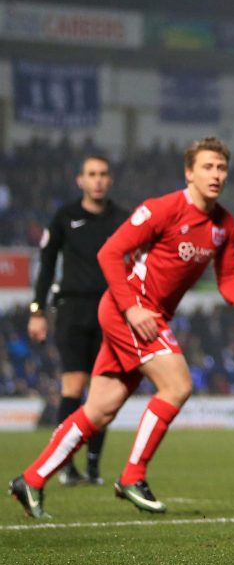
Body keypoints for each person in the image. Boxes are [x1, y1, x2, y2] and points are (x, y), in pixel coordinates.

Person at [9, 137, 234, 518]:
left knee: (98, 410)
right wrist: (131, 309)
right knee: (177, 384)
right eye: (208, 167)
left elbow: (226, 277)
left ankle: (30, 479)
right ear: (189, 172)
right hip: (128, 311)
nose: (216, 174)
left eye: (222, 168)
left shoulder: (224, 223)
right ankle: (132, 475)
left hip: (147, 316)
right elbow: (109, 253)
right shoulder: (162, 209)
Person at [27, 155, 128, 486]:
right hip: (72, 310)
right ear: (80, 180)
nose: (97, 180)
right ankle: (65, 465)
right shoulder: (65, 217)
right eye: (91, 174)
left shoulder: (122, 219)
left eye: (103, 174)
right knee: (72, 386)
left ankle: (94, 468)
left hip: (111, 312)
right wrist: (37, 310)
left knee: (103, 392)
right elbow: (46, 263)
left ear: (110, 180)